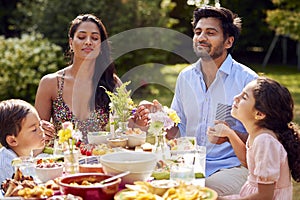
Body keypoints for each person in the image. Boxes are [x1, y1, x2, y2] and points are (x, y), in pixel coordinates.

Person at [167, 6, 258, 195]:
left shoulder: (248, 81)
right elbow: (178, 128)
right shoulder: (185, 77)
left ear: (228, 41)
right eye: (198, 32)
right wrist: (159, 119)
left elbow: (262, 138)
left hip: (231, 167)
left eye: (211, 33)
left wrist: (231, 135)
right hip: (188, 163)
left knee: (200, 190)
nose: (201, 38)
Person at [35, 14, 148, 143]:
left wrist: (139, 123)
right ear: (71, 42)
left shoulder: (112, 83)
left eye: (94, 38)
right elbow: (36, 137)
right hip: (64, 160)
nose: (88, 41)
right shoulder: (50, 83)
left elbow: (127, 132)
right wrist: (42, 130)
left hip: (103, 160)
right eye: (82, 37)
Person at [218, 77, 300, 199]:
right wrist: (230, 134)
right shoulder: (257, 135)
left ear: (259, 114)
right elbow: (249, 164)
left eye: (244, 97)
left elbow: (264, 195)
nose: (236, 97)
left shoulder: (265, 141)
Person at [0, 99, 46, 184]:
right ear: (12, 140)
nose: (41, 131)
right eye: (34, 129)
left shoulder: (26, 153)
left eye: (40, 125)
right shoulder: (6, 164)